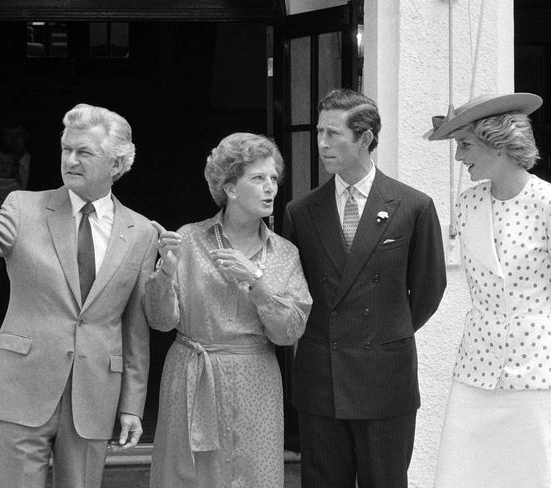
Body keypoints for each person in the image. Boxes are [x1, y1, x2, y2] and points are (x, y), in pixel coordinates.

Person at [0, 103, 157, 488]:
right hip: (22, 388)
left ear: (117, 165)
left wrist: (133, 406)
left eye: (84, 152)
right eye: (66, 149)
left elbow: (134, 327)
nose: (70, 159)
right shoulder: (23, 208)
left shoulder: (141, 232)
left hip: (93, 396)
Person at [284, 88, 447, 488]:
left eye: (333, 134)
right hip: (322, 376)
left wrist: (385, 332)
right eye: (320, 132)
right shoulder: (300, 211)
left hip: (385, 376)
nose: (322, 143)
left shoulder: (413, 206)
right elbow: (293, 292)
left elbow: (428, 290)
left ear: (366, 138)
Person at [145, 132, 312, 488]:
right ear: (230, 188)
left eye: (273, 179)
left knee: (253, 474)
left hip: (257, 380)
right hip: (193, 374)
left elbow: (290, 331)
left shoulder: (284, 253)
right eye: (258, 178)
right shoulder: (188, 239)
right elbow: (160, 321)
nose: (270, 188)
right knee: (188, 476)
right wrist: (165, 274)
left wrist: (257, 281)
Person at [427, 93, 550, 488]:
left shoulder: (546, 203)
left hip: (537, 365)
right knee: (468, 473)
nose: (460, 158)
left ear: (497, 143)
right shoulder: (467, 204)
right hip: (476, 366)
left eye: (465, 144)